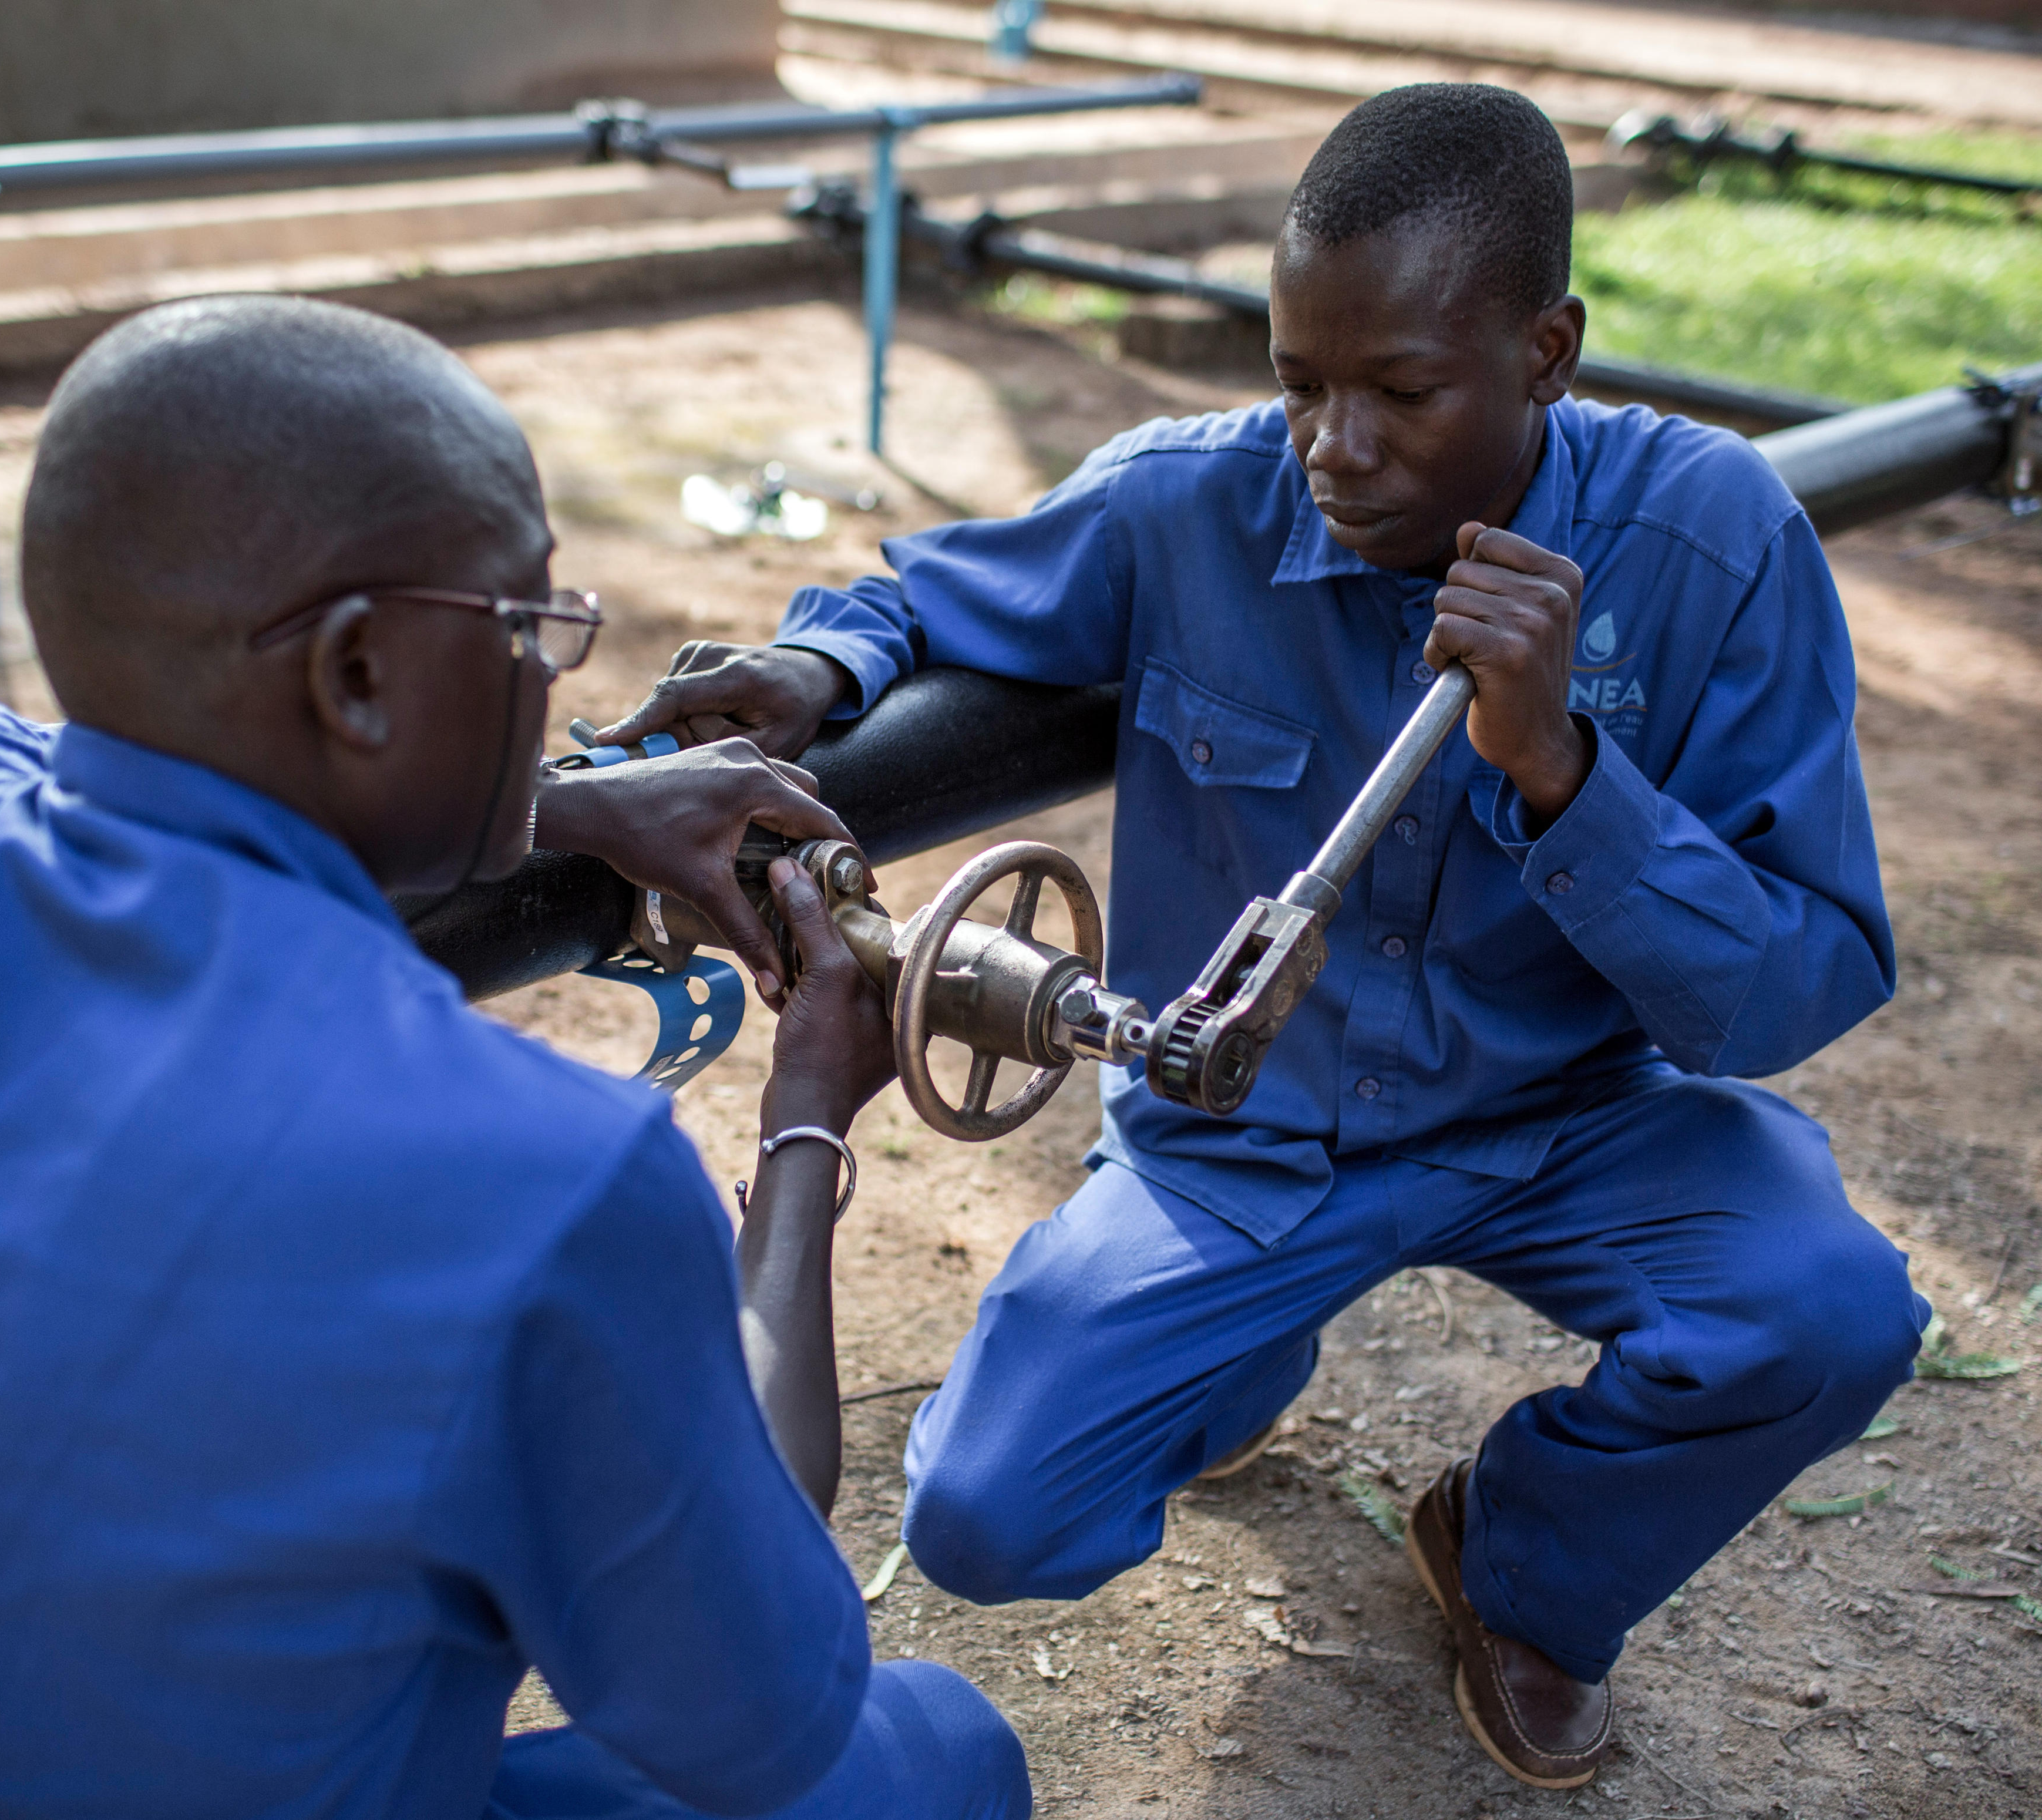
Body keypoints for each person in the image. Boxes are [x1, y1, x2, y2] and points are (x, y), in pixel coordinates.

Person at [592, 83, 1928, 1789]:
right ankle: (1235, 1354)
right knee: (988, 1514)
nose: (1333, 448)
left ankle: (1524, 1566)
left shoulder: (1713, 538)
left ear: (1548, 350)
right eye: (1300, 382)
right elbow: (918, 591)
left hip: (1573, 1115)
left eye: (1402, 392)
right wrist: (823, 670)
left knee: (1826, 1309)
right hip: (1244, 1133)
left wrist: (1566, 774)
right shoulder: (1182, 506)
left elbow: (1792, 985)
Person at [0, 294, 1031, 1820]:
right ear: (353, 676)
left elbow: (146, 763)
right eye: (529, 629)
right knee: (933, 1751)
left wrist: (565, 802)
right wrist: (808, 1124)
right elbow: (755, 1704)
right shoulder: (549, 1180)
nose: (555, 677)